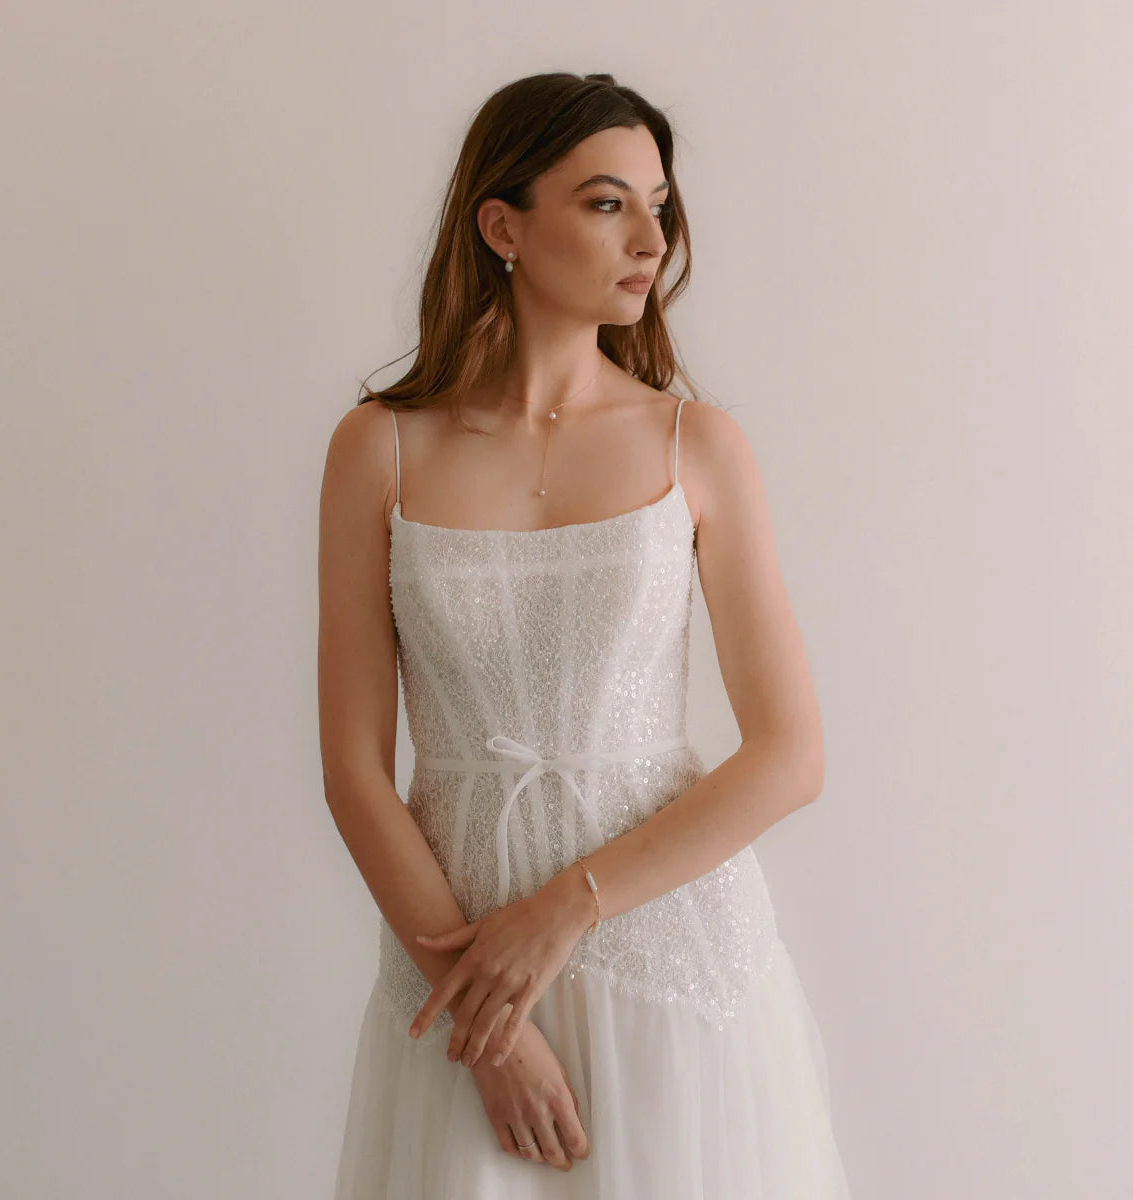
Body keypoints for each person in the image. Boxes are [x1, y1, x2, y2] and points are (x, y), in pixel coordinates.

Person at [318, 71, 852, 1198]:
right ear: (502, 225)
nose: (653, 238)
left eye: (661, 204)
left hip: (667, 946)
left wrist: (565, 910)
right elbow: (356, 774)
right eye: (609, 203)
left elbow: (790, 756)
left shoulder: (695, 444)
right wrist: (488, 1023)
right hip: (458, 965)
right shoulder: (379, 447)